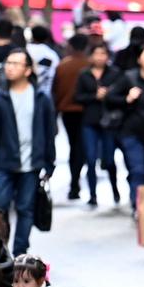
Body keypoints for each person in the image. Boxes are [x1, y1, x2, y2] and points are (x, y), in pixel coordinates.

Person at [0, 47, 56, 257]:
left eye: (16, 64)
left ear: (28, 70)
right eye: (8, 63)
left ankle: (20, 253)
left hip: (32, 163)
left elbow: (49, 131)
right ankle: (1, 252)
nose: (10, 68)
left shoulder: (41, 98)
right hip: (2, 163)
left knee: (26, 209)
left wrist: (50, 161)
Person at [107, 45, 144, 211]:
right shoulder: (129, 78)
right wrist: (127, 99)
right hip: (131, 133)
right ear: (139, 59)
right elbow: (110, 97)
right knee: (138, 169)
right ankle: (139, 207)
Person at [73, 44, 124, 207]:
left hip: (109, 122)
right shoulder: (84, 74)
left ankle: (115, 189)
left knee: (109, 159)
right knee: (90, 158)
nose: (100, 57)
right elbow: (77, 97)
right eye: (97, 53)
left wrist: (108, 95)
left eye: (103, 54)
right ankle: (93, 194)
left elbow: (122, 94)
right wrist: (94, 96)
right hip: (90, 121)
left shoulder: (115, 73)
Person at [54, 34, 90, 201]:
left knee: (74, 146)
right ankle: (77, 183)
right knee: (82, 148)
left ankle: (75, 184)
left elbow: (56, 91)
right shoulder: (89, 65)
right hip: (86, 111)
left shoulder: (63, 66)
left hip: (68, 112)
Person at [25, 25, 59, 101]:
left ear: (32, 36)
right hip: (47, 93)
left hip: (27, 95)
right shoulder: (52, 54)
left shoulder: (25, 51)